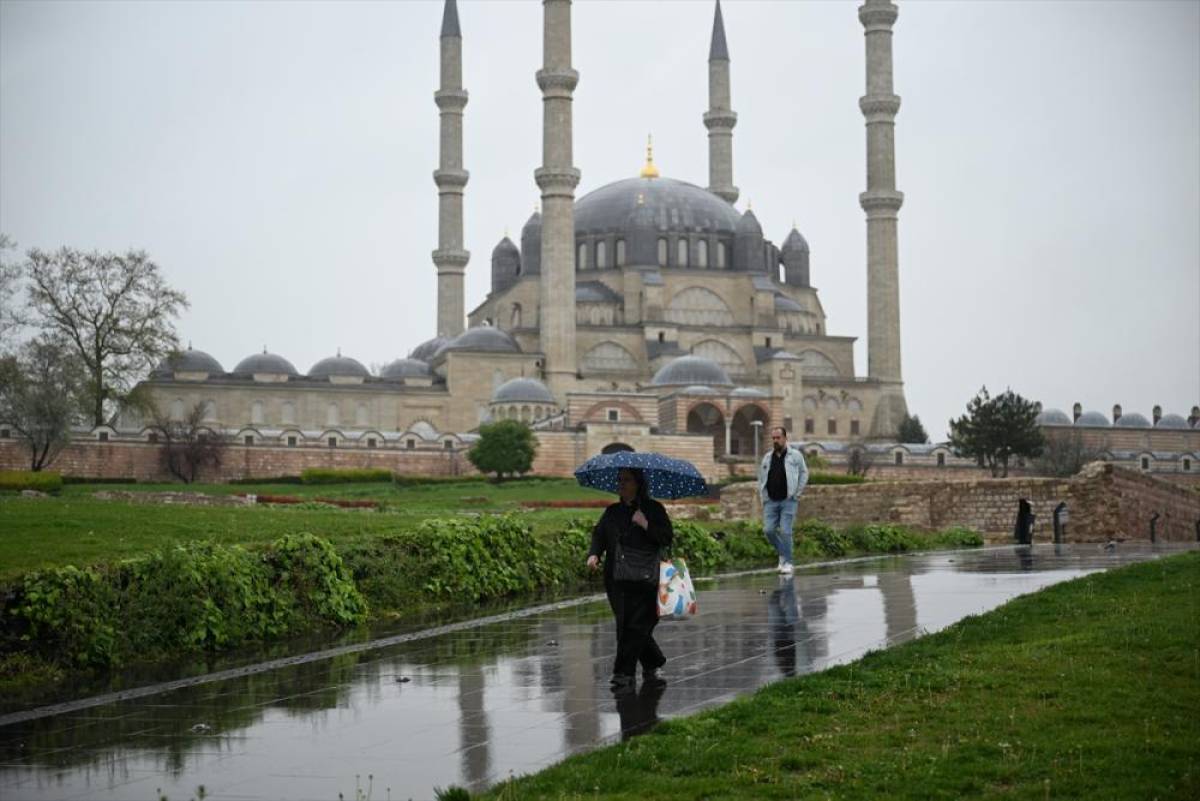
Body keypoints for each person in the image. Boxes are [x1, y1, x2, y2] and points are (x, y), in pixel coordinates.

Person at [587, 467, 674, 689]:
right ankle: (652, 660)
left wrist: (645, 524)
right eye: (620, 480)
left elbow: (665, 538)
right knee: (626, 624)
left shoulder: (653, 509)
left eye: (626, 480)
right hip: (617, 578)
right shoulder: (612, 511)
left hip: (646, 578)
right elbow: (599, 534)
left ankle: (623, 674)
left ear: (638, 483)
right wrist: (594, 554)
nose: (621, 484)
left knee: (636, 625)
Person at [758, 426, 809, 575]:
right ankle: (783, 554)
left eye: (778, 438)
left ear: (785, 438)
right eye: (773, 438)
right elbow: (762, 477)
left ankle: (788, 563)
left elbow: (804, 473)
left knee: (786, 531)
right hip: (771, 501)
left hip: (789, 500)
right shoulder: (767, 457)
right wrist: (763, 495)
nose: (775, 440)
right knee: (768, 530)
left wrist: (797, 492)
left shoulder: (795, 455)